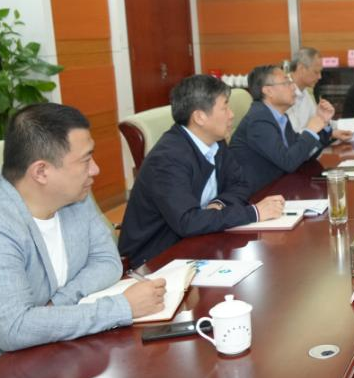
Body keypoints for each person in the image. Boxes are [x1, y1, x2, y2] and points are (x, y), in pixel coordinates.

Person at [0, 103, 167, 378]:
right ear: (41, 171)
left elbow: (107, 261)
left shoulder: (73, 197)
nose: (95, 169)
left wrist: (55, 305)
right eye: (85, 160)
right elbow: (14, 328)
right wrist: (121, 308)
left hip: (42, 363)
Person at [118, 74, 285, 268]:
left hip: (200, 238)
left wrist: (219, 203)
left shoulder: (215, 140)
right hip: (155, 258)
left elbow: (240, 183)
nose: (231, 115)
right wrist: (254, 213)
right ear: (199, 117)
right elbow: (187, 222)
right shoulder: (167, 159)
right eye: (225, 108)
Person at [230, 64, 352, 192]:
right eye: (286, 83)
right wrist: (310, 131)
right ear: (268, 91)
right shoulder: (258, 121)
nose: (293, 87)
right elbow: (288, 162)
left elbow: (301, 155)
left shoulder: (281, 117)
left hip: (279, 187)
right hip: (257, 195)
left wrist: (323, 122)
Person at [286, 47, 330, 135]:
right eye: (316, 72)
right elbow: (294, 134)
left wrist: (331, 131)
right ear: (301, 68)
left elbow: (316, 122)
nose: (320, 77)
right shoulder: (283, 93)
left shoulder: (305, 91)